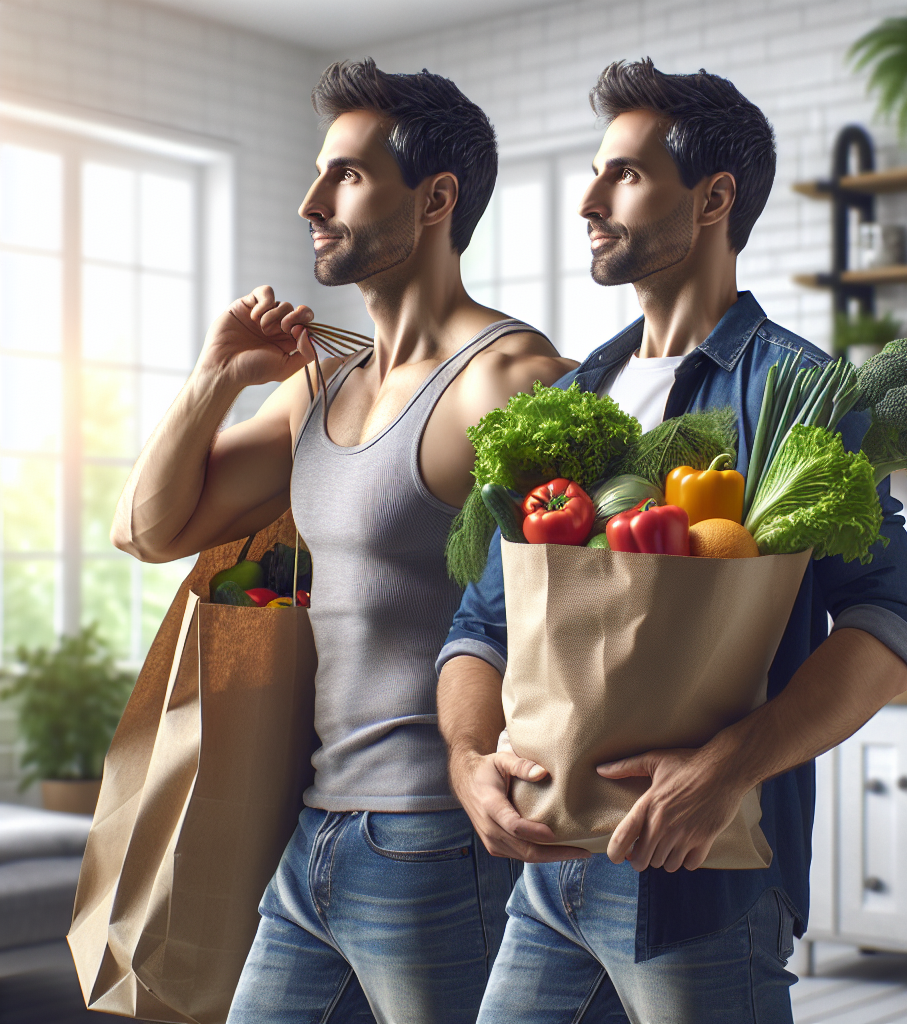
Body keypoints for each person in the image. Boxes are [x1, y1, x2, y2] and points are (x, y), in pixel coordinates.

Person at [435, 60, 907, 1024]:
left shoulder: (798, 395)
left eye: (622, 174)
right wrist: (465, 759)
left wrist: (734, 764)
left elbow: (892, 618)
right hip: (545, 876)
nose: (588, 198)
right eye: (596, 172)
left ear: (713, 199)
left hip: (701, 876)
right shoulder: (575, 399)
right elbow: (484, 620)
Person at [111, 59, 585, 1024]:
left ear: (436, 197)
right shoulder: (319, 389)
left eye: (347, 176)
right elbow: (146, 529)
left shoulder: (514, 383)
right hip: (314, 833)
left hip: (439, 841)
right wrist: (215, 377)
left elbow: (590, 620)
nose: (310, 202)